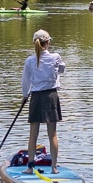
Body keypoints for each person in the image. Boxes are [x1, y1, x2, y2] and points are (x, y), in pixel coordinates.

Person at [21, 29, 65, 169]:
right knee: (52, 134)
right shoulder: (55, 57)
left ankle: (30, 168)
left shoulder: (29, 60)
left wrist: (24, 96)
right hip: (51, 96)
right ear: (48, 42)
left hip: (36, 97)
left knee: (33, 134)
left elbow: (25, 81)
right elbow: (62, 69)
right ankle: (54, 167)